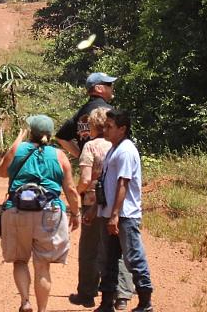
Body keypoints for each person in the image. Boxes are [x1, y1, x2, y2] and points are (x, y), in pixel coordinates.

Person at [0, 115, 80, 312]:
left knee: (20, 260)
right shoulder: (59, 155)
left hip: (17, 210)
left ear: (30, 132)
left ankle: (25, 301)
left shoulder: (19, 149)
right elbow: (70, 189)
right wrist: (76, 213)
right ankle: (42, 310)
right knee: (42, 265)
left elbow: (1, 171)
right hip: (49, 212)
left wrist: (18, 139)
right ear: (50, 134)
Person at [68, 108, 135, 310]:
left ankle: (87, 294)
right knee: (117, 249)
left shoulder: (90, 147)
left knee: (90, 249)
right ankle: (122, 295)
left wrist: (75, 193)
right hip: (118, 203)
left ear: (93, 125)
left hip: (94, 202)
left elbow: (86, 179)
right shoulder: (120, 146)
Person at [95, 109, 154, 312]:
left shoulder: (126, 151)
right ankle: (106, 303)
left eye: (110, 127)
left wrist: (114, 215)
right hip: (111, 214)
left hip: (124, 216)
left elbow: (123, 184)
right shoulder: (113, 149)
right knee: (109, 259)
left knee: (133, 257)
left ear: (122, 129)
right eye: (105, 126)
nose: (105, 130)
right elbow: (105, 183)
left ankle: (145, 302)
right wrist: (95, 208)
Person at [55, 72, 116, 159]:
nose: (112, 87)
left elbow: (61, 137)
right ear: (99, 88)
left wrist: (82, 156)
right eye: (109, 84)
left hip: (87, 168)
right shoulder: (110, 111)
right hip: (109, 168)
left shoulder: (80, 113)